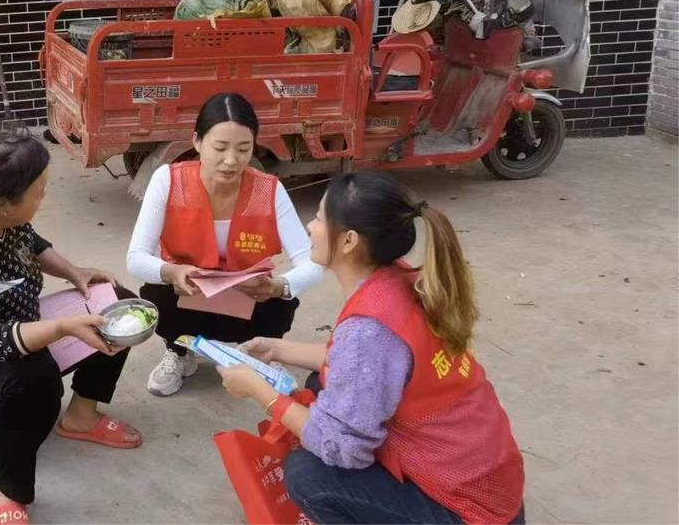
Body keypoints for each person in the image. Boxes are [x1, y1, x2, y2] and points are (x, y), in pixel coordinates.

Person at [218, 171, 525, 524]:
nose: (309, 227)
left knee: (308, 475)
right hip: (486, 480)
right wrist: (275, 349)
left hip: (467, 511)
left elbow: (341, 447)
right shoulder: (396, 278)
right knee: (320, 385)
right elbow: (360, 367)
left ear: (349, 241)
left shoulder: (369, 329)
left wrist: (261, 392)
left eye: (318, 218)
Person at [0, 131, 142, 525]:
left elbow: (32, 243)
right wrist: (61, 327)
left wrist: (76, 272)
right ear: (3, 204)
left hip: (14, 325)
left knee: (116, 304)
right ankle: (9, 491)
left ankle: (81, 416)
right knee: (34, 380)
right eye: (40, 190)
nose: (45, 196)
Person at [126, 93, 323, 396]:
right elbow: (136, 258)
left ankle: (263, 353)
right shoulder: (168, 180)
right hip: (189, 293)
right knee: (156, 288)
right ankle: (179, 351)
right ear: (197, 142)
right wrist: (172, 272)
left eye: (243, 149)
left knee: (284, 296)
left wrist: (278, 286)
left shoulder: (269, 190)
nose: (231, 161)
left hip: (248, 298)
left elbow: (312, 263)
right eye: (220, 148)